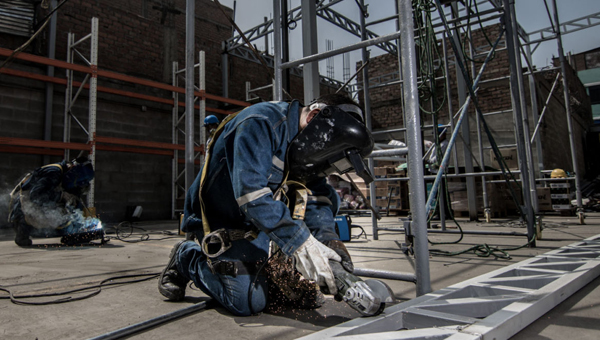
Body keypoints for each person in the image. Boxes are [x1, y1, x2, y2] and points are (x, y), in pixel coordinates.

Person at [158, 93, 374, 316]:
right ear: (314, 116)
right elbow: (251, 194)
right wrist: (300, 243)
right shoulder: (260, 122)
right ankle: (187, 257)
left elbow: (318, 196)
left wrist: (328, 239)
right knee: (247, 301)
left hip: (259, 221)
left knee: (299, 294)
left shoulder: (308, 144)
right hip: (220, 218)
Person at [8, 157, 99, 246]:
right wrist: (60, 196)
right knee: (60, 215)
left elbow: (75, 204)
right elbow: (36, 195)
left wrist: (81, 225)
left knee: (68, 212)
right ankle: (23, 229)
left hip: (36, 205)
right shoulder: (54, 172)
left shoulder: (66, 175)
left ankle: (66, 232)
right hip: (23, 208)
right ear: (72, 169)